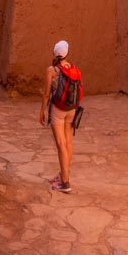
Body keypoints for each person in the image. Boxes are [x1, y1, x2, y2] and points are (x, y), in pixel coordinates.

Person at [39, 39, 82, 193]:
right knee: (68, 142)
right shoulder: (73, 68)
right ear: (66, 53)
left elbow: (46, 94)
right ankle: (62, 173)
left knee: (60, 144)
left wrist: (42, 111)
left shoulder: (52, 70)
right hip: (72, 109)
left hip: (58, 110)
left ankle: (65, 183)